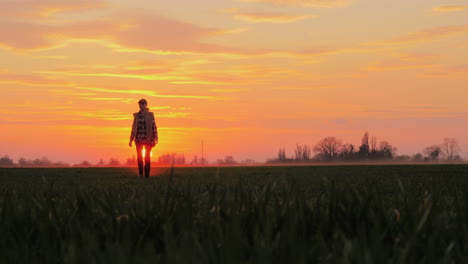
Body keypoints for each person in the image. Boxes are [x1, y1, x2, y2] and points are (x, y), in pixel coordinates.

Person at [129, 99, 158, 178]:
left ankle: (147, 175)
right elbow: (133, 128)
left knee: (147, 158)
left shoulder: (150, 115)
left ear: (146, 105)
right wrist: (131, 139)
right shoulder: (136, 116)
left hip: (148, 139)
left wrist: (155, 138)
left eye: (142, 104)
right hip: (138, 139)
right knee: (139, 158)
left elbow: (154, 126)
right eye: (140, 104)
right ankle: (141, 175)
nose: (141, 106)